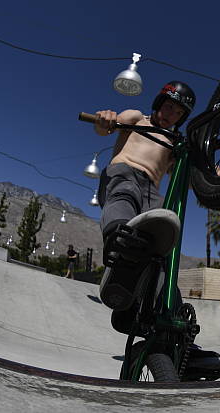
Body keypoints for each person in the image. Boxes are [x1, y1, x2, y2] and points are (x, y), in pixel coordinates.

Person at [93, 81, 195, 314]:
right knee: (125, 193)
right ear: (159, 103)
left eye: (179, 113)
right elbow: (106, 128)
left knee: (163, 227)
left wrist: (208, 176)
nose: (172, 115)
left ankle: (167, 309)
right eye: (169, 107)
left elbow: (185, 180)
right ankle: (119, 238)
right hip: (123, 172)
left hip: (151, 192)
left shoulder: (174, 142)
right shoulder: (137, 118)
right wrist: (104, 119)